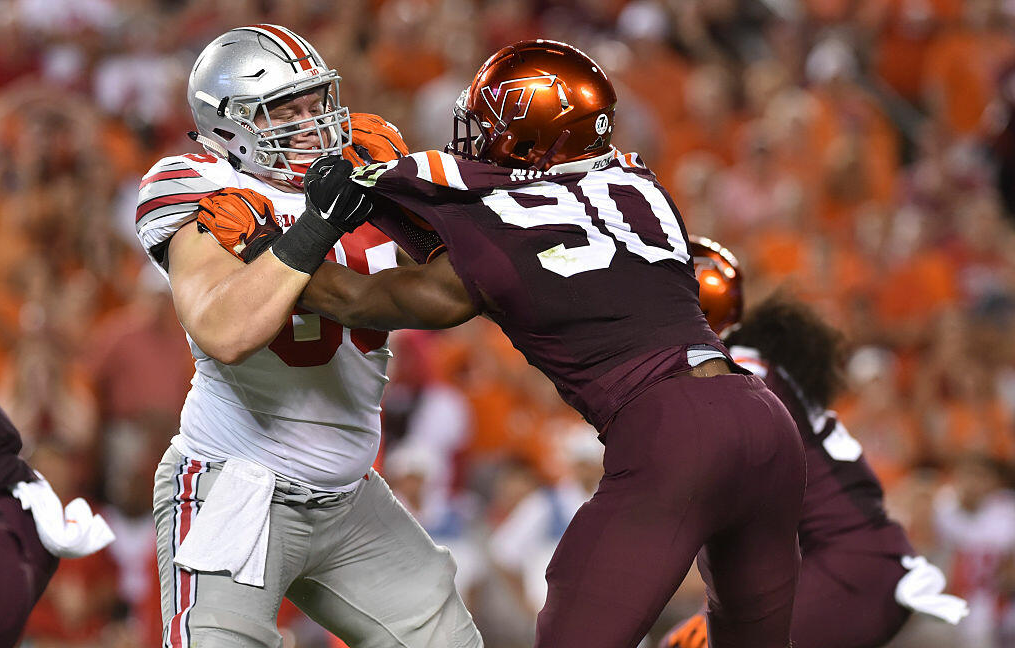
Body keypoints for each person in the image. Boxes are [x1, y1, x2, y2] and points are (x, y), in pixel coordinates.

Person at [212, 40, 807, 648]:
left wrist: (273, 245)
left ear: (527, 137)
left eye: (489, 124)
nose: (473, 138)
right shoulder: (639, 186)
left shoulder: (499, 230)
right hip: (765, 422)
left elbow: (356, 299)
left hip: (675, 436)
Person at [135, 24, 481, 648]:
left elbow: (450, 287)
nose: (311, 122)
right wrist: (319, 223)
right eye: (282, 110)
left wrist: (400, 202)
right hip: (238, 484)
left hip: (351, 496)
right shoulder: (202, 190)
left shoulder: (359, 170)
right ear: (229, 124)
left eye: (316, 101)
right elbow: (225, 331)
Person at [661, 236, 970, 648]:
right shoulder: (754, 367)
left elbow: (722, 460)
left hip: (848, 565)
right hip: (851, 564)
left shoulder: (742, 364)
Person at [0, 396, 114, 647]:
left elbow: (113, 583)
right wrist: (55, 591)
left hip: (88, 635)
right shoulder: (15, 512)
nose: (54, 472)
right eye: (47, 465)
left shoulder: (89, 516)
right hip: (31, 637)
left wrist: (89, 601)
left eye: (59, 465)